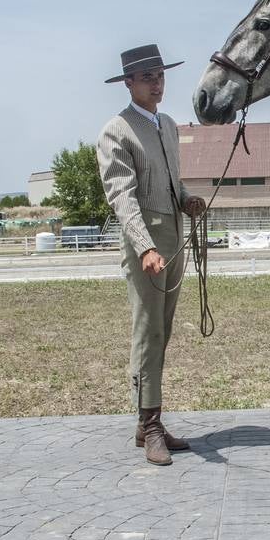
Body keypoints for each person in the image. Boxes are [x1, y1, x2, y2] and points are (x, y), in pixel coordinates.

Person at [96, 44, 206, 466]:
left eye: (160, 76)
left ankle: (148, 422)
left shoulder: (169, 125)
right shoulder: (116, 131)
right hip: (146, 241)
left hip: (174, 236)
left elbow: (171, 180)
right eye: (147, 78)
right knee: (148, 331)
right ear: (128, 83)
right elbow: (122, 197)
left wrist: (186, 200)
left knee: (164, 328)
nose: (157, 84)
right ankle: (150, 423)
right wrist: (144, 246)